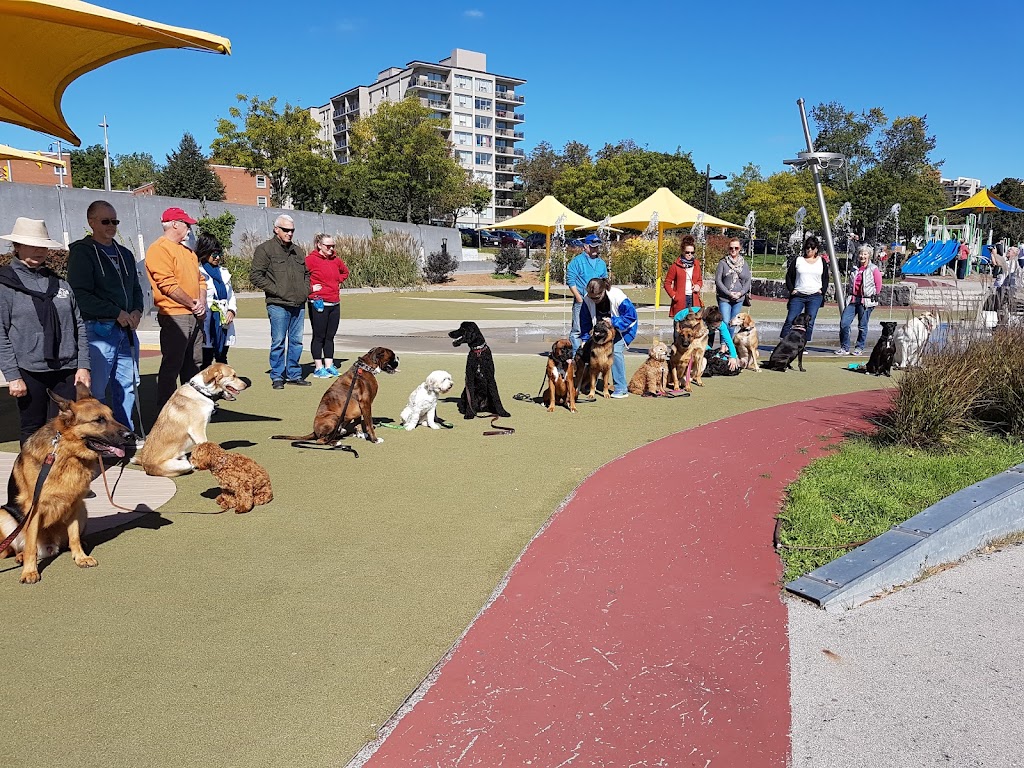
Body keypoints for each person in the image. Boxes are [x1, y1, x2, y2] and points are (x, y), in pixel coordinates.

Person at [0, 218, 91, 445]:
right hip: (29, 370)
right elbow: (0, 333)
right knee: (32, 429)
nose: (39, 250)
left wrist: (83, 365)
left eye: (43, 246)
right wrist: (13, 376)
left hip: (67, 368)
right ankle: (30, 479)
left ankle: (59, 478)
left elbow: (78, 324)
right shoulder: (5, 286)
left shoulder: (60, 284)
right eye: (32, 245)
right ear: (17, 247)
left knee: (66, 428)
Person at [67, 200, 144, 435]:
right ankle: (97, 437)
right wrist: (115, 312)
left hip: (125, 331)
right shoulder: (82, 252)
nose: (111, 226)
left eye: (115, 221)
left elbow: (136, 289)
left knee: (128, 384)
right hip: (98, 331)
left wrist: (137, 310)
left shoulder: (125, 253)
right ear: (91, 223)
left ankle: (125, 432)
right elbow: (79, 294)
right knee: (96, 390)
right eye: (105, 221)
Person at [145, 207, 206, 410]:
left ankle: (191, 408)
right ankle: (167, 410)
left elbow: (201, 281)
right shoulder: (159, 249)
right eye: (186, 224)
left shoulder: (188, 252)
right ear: (174, 224)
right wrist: (193, 303)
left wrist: (201, 303)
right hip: (174, 315)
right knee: (173, 365)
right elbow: (167, 285)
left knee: (195, 364)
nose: (189, 229)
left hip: (194, 315)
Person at [250, 214, 311, 389]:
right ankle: (277, 375)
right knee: (278, 341)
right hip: (277, 304)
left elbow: (306, 274)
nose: (289, 233)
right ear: (276, 229)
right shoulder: (265, 249)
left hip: (298, 304)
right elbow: (255, 276)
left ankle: (294, 373)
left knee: (297, 341)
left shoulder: (298, 250)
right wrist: (277, 290)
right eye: (286, 230)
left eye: (292, 230)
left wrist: (305, 290)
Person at [579, 277, 638, 399]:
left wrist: (613, 321)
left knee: (615, 351)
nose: (593, 300)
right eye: (591, 297)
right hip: (601, 332)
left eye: (596, 297)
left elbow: (631, 316)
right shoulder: (587, 299)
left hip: (624, 329)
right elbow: (584, 321)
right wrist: (585, 339)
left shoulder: (618, 296)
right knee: (590, 352)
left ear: (603, 291)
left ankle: (621, 388)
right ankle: (585, 384)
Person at [306, 232, 349, 378]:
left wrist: (337, 280)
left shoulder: (336, 260)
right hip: (318, 302)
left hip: (334, 302)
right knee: (319, 336)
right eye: (328, 246)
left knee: (330, 336)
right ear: (319, 245)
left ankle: (329, 365)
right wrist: (311, 288)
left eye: (333, 246)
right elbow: (300, 277)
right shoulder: (310, 260)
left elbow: (345, 272)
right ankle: (318, 368)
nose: (331, 249)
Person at [195, 233, 236, 367]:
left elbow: (231, 295)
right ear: (205, 253)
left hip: (224, 320)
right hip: (207, 320)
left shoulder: (223, 272)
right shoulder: (197, 271)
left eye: (219, 253)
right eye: (214, 254)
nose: (218, 257)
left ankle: (223, 386)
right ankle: (205, 386)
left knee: (222, 357)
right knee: (205, 360)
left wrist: (231, 310)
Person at [780, 235, 829, 343]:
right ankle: (784, 341)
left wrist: (822, 291)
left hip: (815, 296)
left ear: (816, 249)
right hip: (798, 295)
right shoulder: (799, 260)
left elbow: (825, 278)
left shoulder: (821, 262)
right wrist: (792, 289)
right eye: (807, 248)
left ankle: (803, 343)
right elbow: (789, 276)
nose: (809, 250)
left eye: (812, 248)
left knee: (809, 321)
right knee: (791, 319)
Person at [565, 234, 608, 354]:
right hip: (582, 300)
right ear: (585, 247)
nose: (595, 249)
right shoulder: (577, 261)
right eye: (592, 247)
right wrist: (578, 298)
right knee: (577, 329)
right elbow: (570, 280)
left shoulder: (601, 263)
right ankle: (575, 356)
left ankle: (591, 354)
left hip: (597, 301)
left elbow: (605, 280)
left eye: (597, 247)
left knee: (596, 328)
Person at [836, 245, 883, 356]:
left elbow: (878, 284)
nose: (862, 256)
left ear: (869, 255)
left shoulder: (873, 269)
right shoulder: (854, 269)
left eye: (865, 254)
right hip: (853, 300)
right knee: (844, 323)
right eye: (861, 254)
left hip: (866, 301)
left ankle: (859, 347)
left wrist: (875, 295)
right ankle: (844, 347)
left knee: (862, 326)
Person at [674, 305, 740, 375]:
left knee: (706, 349)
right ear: (708, 323)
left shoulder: (720, 324)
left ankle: (699, 367)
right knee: (684, 346)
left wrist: (733, 356)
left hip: (707, 327)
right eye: (716, 326)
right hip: (681, 321)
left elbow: (729, 341)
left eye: (719, 325)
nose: (719, 326)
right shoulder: (696, 322)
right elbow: (694, 340)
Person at [715, 238, 751, 326]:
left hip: (739, 298)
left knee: (733, 323)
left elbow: (748, 280)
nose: (733, 250)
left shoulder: (744, 264)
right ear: (728, 249)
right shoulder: (723, 263)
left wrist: (741, 293)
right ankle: (724, 340)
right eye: (731, 248)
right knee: (725, 322)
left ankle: (729, 340)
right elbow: (718, 280)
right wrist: (728, 293)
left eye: (736, 248)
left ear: (740, 249)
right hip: (725, 298)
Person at [664, 234, 703, 317]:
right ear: (682, 251)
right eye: (687, 252)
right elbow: (667, 283)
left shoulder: (696, 264)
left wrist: (698, 286)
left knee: (694, 325)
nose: (690, 254)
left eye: (692, 252)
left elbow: (700, 280)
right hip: (680, 300)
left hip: (694, 299)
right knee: (679, 325)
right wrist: (674, 295)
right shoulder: (675, 266)